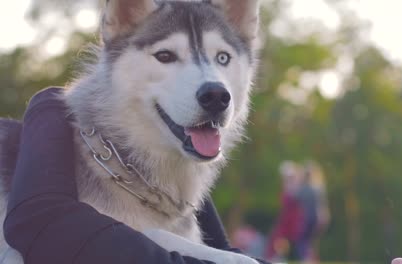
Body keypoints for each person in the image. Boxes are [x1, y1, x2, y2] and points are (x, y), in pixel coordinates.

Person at [3, 87, 270, 263]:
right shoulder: (55, 111)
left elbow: (221, 249)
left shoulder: (176, 155)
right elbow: (39, 219)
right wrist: (48, 104)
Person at [295, 161, 330, 263]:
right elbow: (323, 205)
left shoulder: (305, 188)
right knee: (310, 242)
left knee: (302, 240)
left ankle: (306, 259)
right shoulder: (318, 187)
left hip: (308, 218)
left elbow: (295, 196)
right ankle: (312, 260)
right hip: (318, 218)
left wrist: (298, 178)